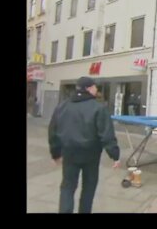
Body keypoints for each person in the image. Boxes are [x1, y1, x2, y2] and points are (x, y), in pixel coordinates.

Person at [48, 76, 121, 213]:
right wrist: (115, 155)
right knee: (89, 187)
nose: (96, 89)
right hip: (91, 155)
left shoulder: (62, 106)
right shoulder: (99, 108)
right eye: (94, 87)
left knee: (67, 187)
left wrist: (55, 153)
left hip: (69, 153)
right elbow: (106, 134)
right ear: (88, 88)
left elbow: (53, 131)